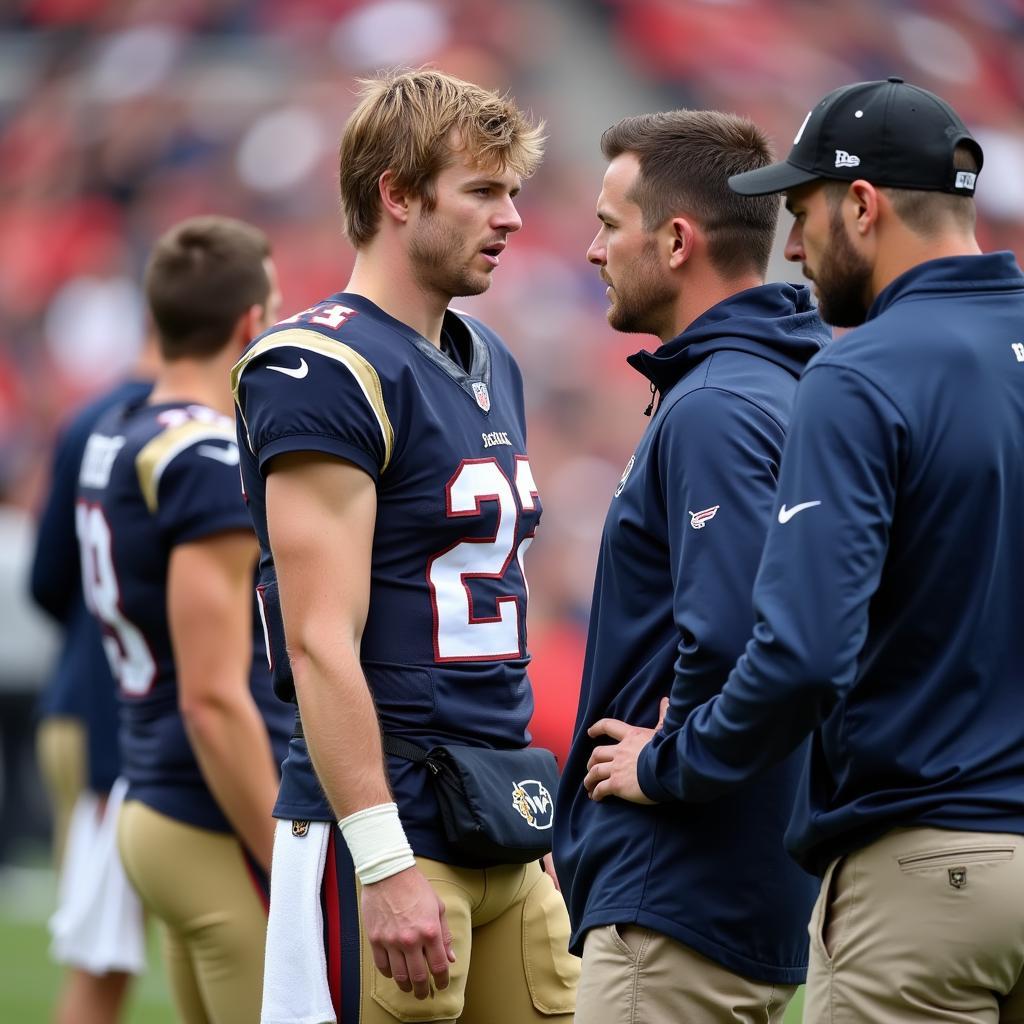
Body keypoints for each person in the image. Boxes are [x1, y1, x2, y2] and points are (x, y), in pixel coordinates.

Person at [583, 78, 1024, 1023]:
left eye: (803, 210)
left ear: (860, 205)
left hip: (928, 867)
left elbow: (801, 652)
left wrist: (671, 762)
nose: (791, 245)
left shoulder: (861, 368)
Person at [231, 69, 578, 1024]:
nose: (511, 218)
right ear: (396, 193)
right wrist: (382, 860)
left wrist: (521, 805)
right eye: (483, 191)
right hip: (388, 829)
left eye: (512, 192)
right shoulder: (320, 366)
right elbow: (319, 644)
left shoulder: (488, 356)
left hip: (496, 812)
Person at [552, 111, 827, 1023]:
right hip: (748, 874)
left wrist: (668, 763)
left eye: (608, 224)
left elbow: (738, 634)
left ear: (676, 241)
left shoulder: (715, 405)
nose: (593, 250)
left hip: (678, 886)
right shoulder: (795, 385)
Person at [76, 215, 291, 1024]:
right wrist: (283, 859)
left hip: (154, 786)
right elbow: (210, 694)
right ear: (250, 322)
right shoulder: (202, 457)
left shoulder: (119, 432)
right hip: (209, 804)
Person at [30, 338, 157, 1024]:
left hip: (80, 704)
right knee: (106, 951)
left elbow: (46, 580)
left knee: (101, 951)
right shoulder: (204, 424)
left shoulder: (91, 420)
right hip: (134, 721)